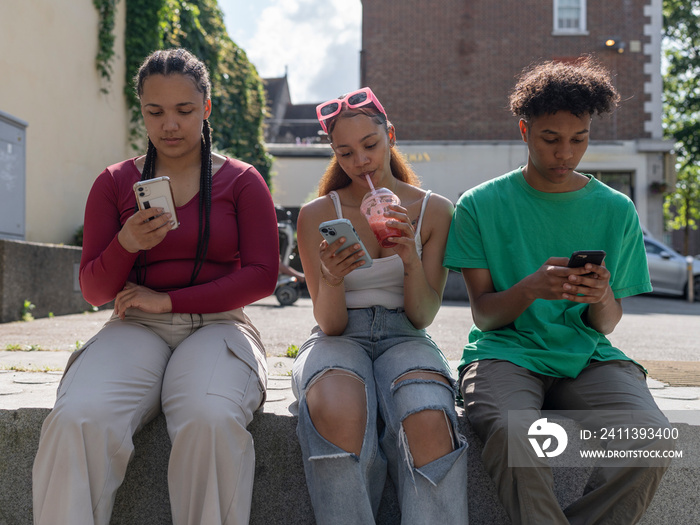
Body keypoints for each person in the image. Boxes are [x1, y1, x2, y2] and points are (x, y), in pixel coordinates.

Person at [32, 48, 279, 525]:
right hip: (135, 326)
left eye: (184, 111)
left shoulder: (243, 182)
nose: (170, 124)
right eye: (155, 111)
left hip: (219, 325)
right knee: (76, 417)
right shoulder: (114, 183)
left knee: (210, 419)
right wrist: (126, 242)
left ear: (206, 108)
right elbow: (93, 289)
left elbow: (261, 276)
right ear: (140, 111)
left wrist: (168, 300)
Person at [444, 58, 674, 524]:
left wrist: (602, 296)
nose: (564, 154)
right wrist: (530, 287)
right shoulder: (479, 204)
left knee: (651, 438)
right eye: (550, 139)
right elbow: (485, 316)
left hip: (587, 356)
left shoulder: (615, 209)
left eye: (579, 139)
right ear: (525, 131)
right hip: (504, 353)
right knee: (514, 433)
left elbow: (607, 324)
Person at [291, 87, 469, 524]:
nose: (361, 162)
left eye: (370, 145)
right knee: (335, 407)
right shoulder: (318, 216)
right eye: (346, 152)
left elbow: (422, 316)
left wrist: (410, 258)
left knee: (428, 417)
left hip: (405, 334)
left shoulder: (435, 212)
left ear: (390, 135)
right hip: (340, 336)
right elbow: (330, 324)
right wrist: (332, 278)